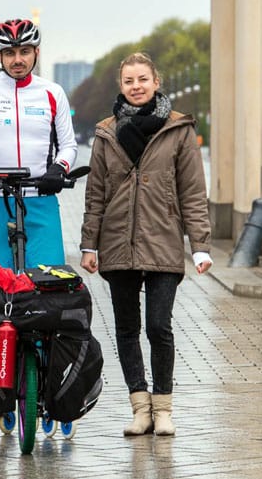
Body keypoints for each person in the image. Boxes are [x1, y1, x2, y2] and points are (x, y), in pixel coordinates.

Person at [79, 52, 213, 437]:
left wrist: (200, 245)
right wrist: (90, 244)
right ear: (120, 86)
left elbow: (192, 191)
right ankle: (140, 407)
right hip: (118, 242)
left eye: (142, 79)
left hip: (163, 241)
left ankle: (164, 407)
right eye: (128, 81)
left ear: (156, 82)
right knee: (126, 328)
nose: (135, 86)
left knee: (159, 326)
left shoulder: (179, 129)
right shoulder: (106, 132)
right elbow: (96, 193)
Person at [0, 18, 77, 269]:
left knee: (49, 278)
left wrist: (59, 169)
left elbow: (68, 145)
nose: (17, 60)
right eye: (9, 53)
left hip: (40, 196)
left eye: (24, 51)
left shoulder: (53, 92)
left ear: (36, 52)